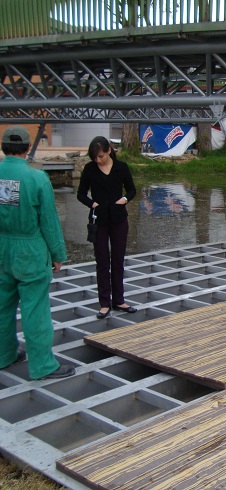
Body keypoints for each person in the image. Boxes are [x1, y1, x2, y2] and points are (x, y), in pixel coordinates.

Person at [0, 126, 75, 380]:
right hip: (29, 250)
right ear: (27, 147)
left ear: (3, 147)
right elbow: (49, 221)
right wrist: (58, 254)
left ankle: (4, 353)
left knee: (2, 305)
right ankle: (42, 365)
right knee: (35, 309)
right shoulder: (37, 178)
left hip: (1, 247)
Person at [77, 136, 137, 319]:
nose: (98, 160)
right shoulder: (89, 169)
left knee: (118, 260)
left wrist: (124, 200)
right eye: (95, 157)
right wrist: (92, 204)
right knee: (102, 262)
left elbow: (132, 190)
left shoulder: (121, 167)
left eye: (101, 156)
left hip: (119, 219)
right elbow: (81, 194)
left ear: (109, 150)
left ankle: (119, 300)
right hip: (99, 221)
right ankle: (104, 303)